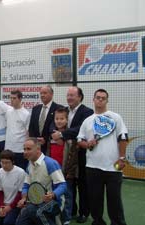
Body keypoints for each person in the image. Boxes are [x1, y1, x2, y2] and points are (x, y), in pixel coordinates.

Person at [77, 89, 128, 225]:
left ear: (107, 101)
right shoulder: (87, 121)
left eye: (103, 98)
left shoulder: (115, 117)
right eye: (98, 97)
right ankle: (98, 222)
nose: (100, 100)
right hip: (92, 168)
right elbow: (79, 139)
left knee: (114, 202)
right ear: (93, 100)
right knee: (95, 201)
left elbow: (122, 137)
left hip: (113, 168)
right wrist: (87, 144)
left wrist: (122, 158)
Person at [51, 87, 93, 223]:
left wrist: (62, 134)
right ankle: (72, 209)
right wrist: (55, 131)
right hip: (64, 155)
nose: (69, 98)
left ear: (80, 97)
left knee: (82, 185)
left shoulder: (87, 112)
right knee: (69, 185)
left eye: (72, 95)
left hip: (80, 155)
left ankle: (84, 212)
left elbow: (80, 129)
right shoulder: (64, 110)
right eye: (68, 95)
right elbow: (54, 123)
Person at [16, 137, 67, 225]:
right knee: (21, 220)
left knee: (34, 211)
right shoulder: (29, 164)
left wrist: (53, 195)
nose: (25, 152)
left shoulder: (50, 163)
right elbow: (26, 185)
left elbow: (63, 185)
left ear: (38, 149)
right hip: (35, 201)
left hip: (55, 202)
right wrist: (24, 198)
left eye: (28, 149)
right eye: (24, 149)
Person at [0, 150, 26, 225]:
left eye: (7, 163)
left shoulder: (20, 172)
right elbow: (0, 192)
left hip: (16, 204)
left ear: (12, 162)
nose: (4, 165)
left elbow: (20, 193)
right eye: (2, 162)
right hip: (4, 203)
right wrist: (1, 206)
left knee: (8, 222)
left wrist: (10, 207)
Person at [29, 85, 62, 155]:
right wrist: (34, 141)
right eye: (41, 93)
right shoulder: (35, 109)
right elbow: (31, 127)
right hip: (36, 147)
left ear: (52, 94)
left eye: (45, 93)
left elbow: (59, 127)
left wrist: (46, 139)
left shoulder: (58, 108)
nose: (42, 95)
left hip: (51, 146)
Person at [5, 90, 30, 169]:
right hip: (8, 148)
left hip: (20, 149)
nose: (12, 100)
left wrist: (26, 149)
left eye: (14, 98)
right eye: (11, 98)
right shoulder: (8, 112)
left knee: (21, 171)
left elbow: (28, 132)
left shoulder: (26, 114)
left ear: (20, 99)